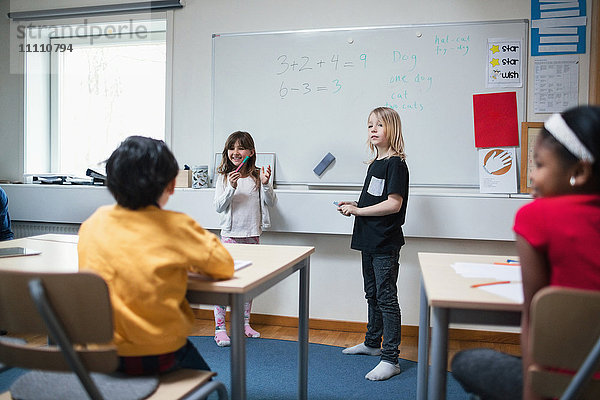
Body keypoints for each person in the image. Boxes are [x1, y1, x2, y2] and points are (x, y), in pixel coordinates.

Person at [451, 105, 600, 400]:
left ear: (580, 171)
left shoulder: (536, 218)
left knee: (466, 361)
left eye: (540, 166)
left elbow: (533, 316)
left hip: (566, 384)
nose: (532, 178)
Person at [78, 136, 234, 375]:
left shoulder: (92, 224)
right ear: (171, 185)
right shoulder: (176, 226)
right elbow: (224, 266)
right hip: (157, 354)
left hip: (97, 358)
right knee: (212, 386)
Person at [336, 106, 409, 381]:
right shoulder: (375, 164)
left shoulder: (396, 164)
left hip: (385, 242)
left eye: (379, 125)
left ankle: (391, 358)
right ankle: (371, 343)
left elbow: (393, 203)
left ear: (392, 129)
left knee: (387, 298)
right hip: (368, 240)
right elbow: (375, 200)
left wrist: (358, 212)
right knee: (373, 294)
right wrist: (355, 204)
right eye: (370, 126)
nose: (373, 130)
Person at [213, 130, 277, 347]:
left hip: (252, 235)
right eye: (232, 148)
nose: (235, 152)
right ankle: (220, 328)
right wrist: (230, 188)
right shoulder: (223, 177)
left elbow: (271, 201)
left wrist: (267, 183)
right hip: (230, 236)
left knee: (249, 283)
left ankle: (244, 324)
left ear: (251, 152)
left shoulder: (257, 176)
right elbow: (219, 207)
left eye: (241, 148)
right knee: (225, 284)